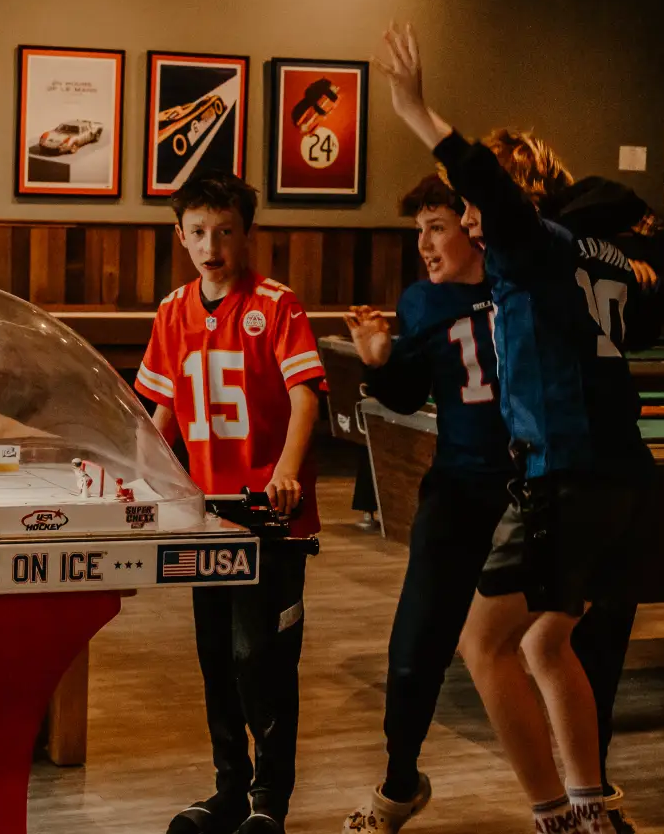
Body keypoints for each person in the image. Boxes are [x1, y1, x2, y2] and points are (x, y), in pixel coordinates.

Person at [378, 22, 656, 834]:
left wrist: (417, 112)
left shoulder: (529, 245)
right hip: (617, 475)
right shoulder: (583, 253)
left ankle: (554, 817)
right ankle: (590, 810)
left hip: (564, 475)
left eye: (467, 206)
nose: (464, 217)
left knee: (484, 646)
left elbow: (490, 190)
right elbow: (646, 314)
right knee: (542, 646)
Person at [135, 171, 325, 834]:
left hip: (269, 517)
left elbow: (305, 395)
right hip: (206, 516)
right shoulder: (172, 311)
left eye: (224, 232)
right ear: (180, 236)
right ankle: (229, 789)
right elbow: (163, 410)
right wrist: (136, 471)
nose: (211, 246)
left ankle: (270, 797)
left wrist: (286, 471)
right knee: (216, 656)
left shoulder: (277, 304)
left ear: (247, 235)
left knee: (259, 656)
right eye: (198, 232)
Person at [339, 175, 511, 833]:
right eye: (419, 232)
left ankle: (583, 792)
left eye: (436, 228)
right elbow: (409, 395)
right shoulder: (421, 301)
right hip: (460, 485)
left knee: (558, 646)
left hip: (533, 490)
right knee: (414, 648)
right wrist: (380, 362)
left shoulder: (522, 284)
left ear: (473, 225)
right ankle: (399, 783)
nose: (425, 245)